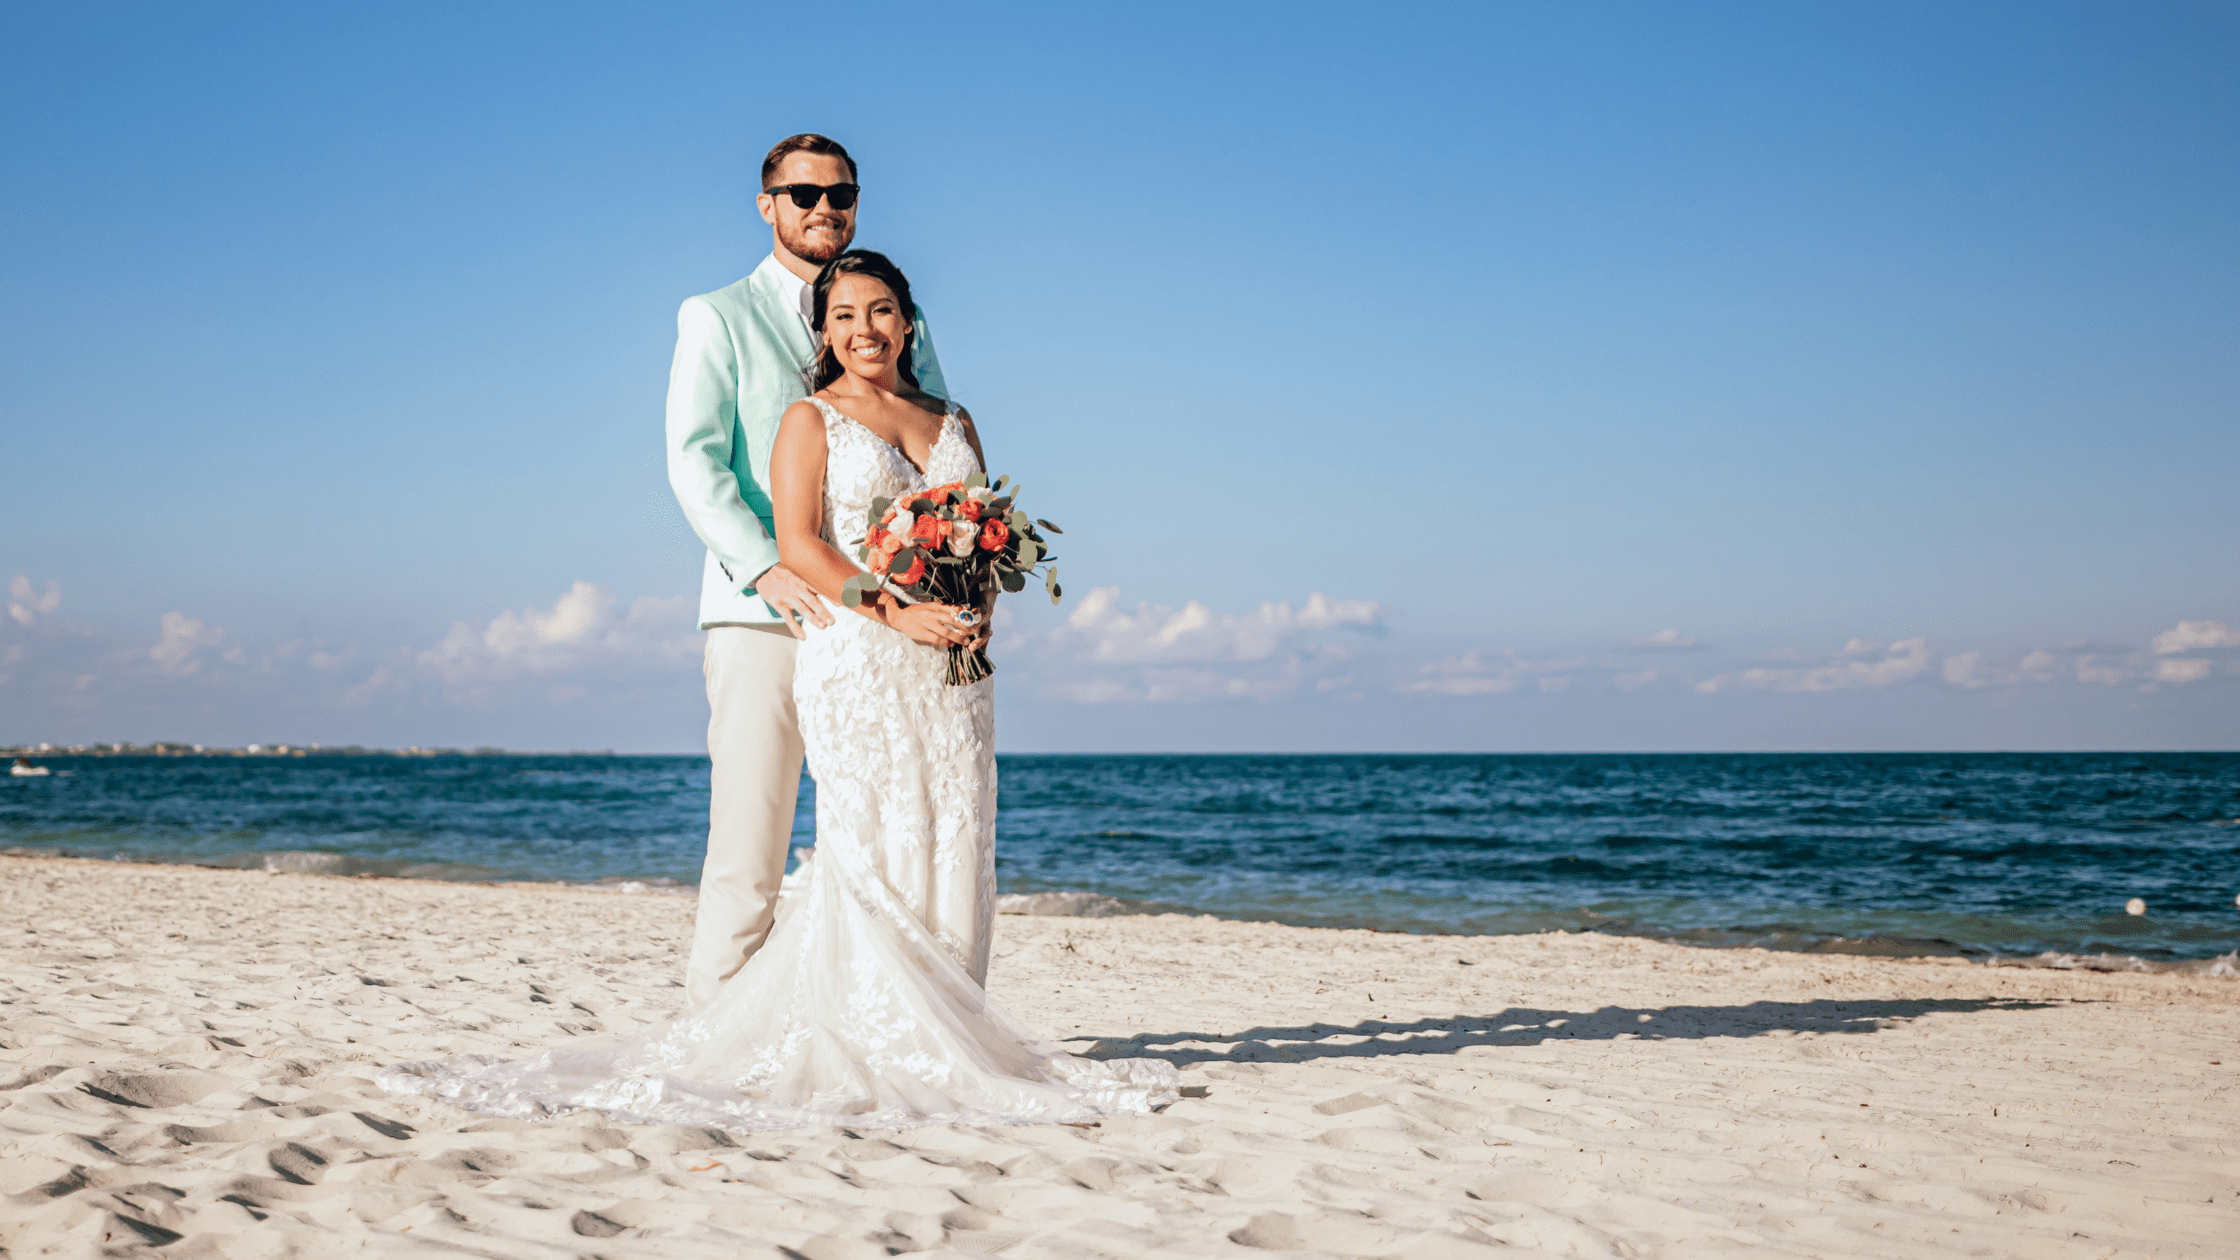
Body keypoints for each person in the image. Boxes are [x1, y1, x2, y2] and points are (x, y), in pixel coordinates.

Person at [378, 250, 1176, 1129]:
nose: (862, 330)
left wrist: (976, 609)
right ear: (824, 331)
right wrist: (894, 613)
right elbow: (800, 544)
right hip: (860, 651)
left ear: (909, 321)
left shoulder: (955, 417)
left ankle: (951, 1027)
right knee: (873, 839)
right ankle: (869, 1035)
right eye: (842, 316)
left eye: (879, 312)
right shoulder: (809, 418)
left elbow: (980, 526)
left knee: (955, 829)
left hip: (951, 667)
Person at [663, 133, 949, 1010]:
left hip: (881, 622)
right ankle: (712, 1037)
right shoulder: (715, 316)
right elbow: (694, 460)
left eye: (841, 194)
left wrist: (943, 583)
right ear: (768, 205)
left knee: (880, 843)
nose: (824, 209)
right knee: (750, 846)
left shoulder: (903, 318)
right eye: (803, 194)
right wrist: (763, 568)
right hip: (765, 618)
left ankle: (870, 1026)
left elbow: (937, 456)